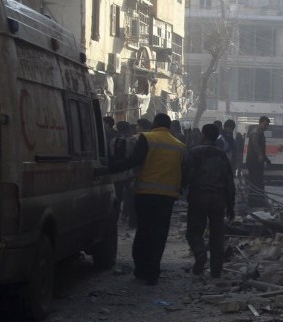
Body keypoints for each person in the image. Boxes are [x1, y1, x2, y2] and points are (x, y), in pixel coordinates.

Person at [107, 113, 186, 285]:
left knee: (143, 231)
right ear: (169, 126)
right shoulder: (179, 146)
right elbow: (183, 172)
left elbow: (134, 161)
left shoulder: (147, 138)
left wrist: (109, 169)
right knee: (159, 234)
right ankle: (153, 271)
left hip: (145, 193)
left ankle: (141, 269)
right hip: (167, 197)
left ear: (155, 124)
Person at [184, 123, 235, 278]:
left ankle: (200, 253)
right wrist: (231, 206)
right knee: (217, 235)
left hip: (198, 196)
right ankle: (216, 270)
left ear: (204, 135)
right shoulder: (222, 155)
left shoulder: (194, 152)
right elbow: (229, 183)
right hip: (218, 199)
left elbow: (187, 176)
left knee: (194, 231)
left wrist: (181, 190)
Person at [245, 116, 271, 207]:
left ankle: (258, 201)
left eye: (267, 125)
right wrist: (260, 156)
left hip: (257, 161)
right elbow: (256, 146)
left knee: (259, 181)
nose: (266, 127)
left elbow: (261, 149)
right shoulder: (255, 133)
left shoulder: (260, 133)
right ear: (260, 122)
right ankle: (253, 201)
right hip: (253, 161)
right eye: (265, 124)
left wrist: (266, 159)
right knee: (255, 182)